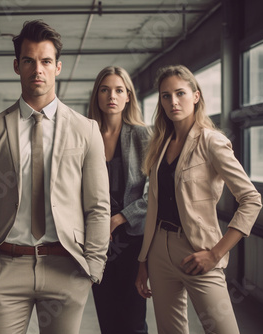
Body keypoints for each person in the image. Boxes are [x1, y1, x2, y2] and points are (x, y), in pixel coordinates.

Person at [0, 20, 110, 334]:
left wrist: (93, 267)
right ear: (17, 66)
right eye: (29, 61)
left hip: (66, 267)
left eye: (45, 61)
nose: (38, 69)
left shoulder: (86, 129)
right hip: (5, 266)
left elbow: (98, 206)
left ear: (57, 67)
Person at [135, 65, 262, 334]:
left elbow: (251, 199)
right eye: (166, 96)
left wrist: (216, 253)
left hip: (198, 250)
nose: (173, 101)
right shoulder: (160, 144)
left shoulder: (211, 142)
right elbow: (154, 207)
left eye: (180, 93)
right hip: (158, 251)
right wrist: (143, 260)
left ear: (196, 96)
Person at [88, 66, 149, 334]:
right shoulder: (86, 135)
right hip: (98, 242)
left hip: (132, 239)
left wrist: (119, 218)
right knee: (107, 319)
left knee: (133, 322)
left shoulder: (142, 135)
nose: (111, 96)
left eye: (119, 90)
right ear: (97, 96)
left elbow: (154, 193)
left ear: (128, 97)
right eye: (105, 89)